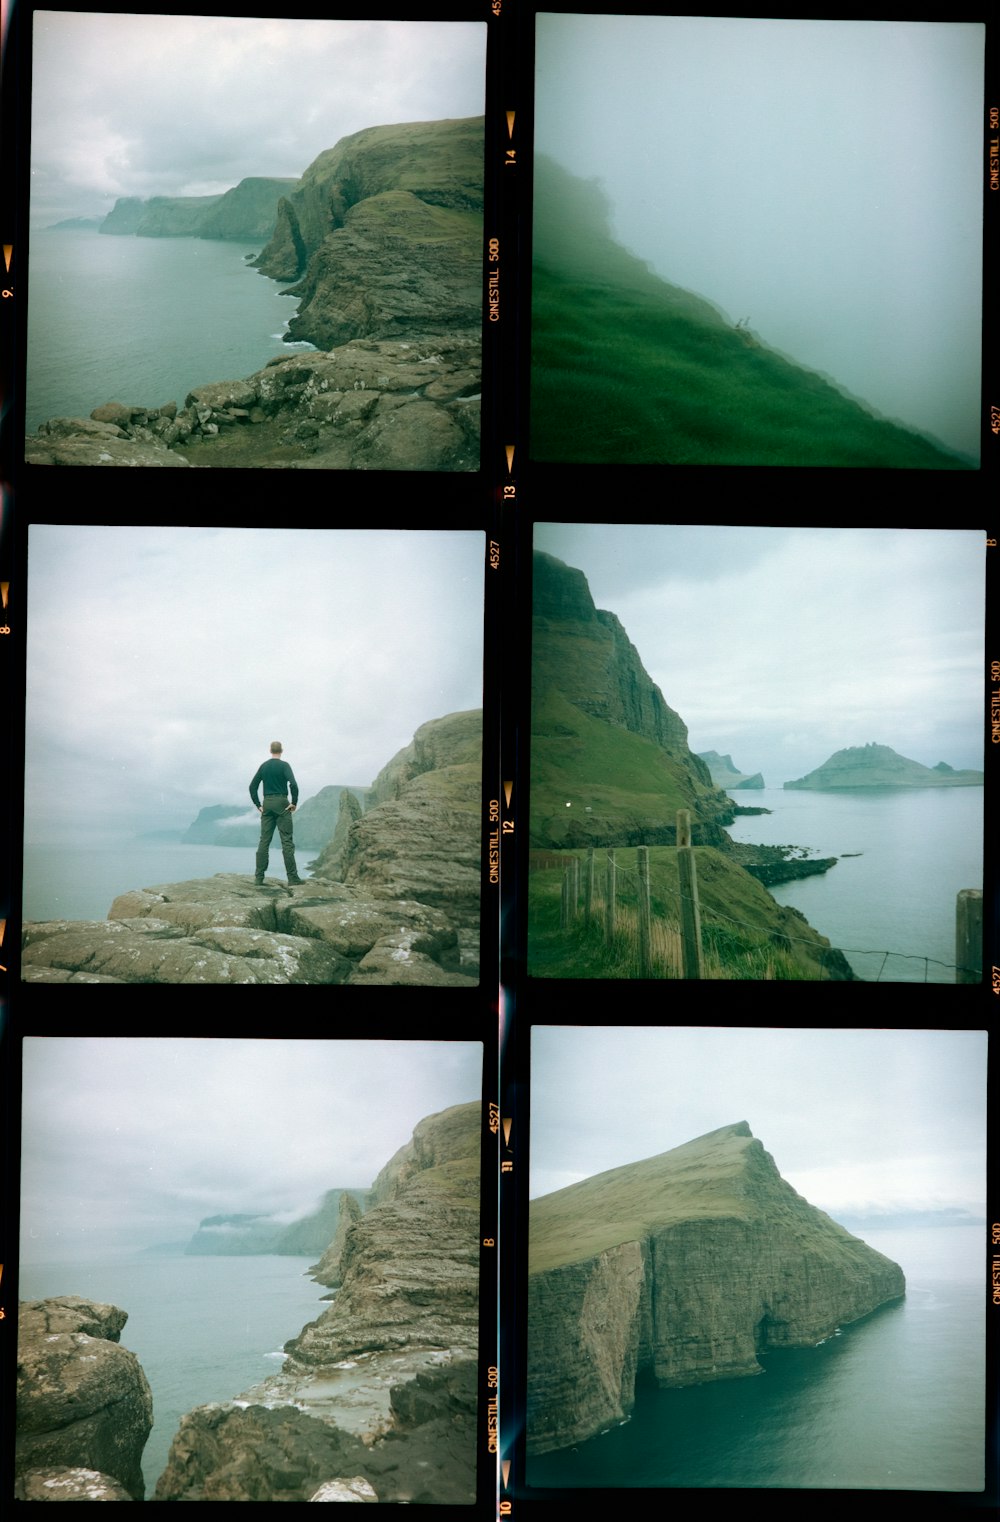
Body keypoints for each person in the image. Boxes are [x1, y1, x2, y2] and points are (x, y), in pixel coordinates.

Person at [250, 741, 304, 886]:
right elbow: (293, 784)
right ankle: (292, 878)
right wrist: (294, 802)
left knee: (264, 841)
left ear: (270, 750)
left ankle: (259, 878)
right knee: (286, 841)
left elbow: (252, 786)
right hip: (282, 803)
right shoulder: (285, 766)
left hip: (267, 804)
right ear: (282, 750)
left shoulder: (264, 766)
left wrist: (258, 805)